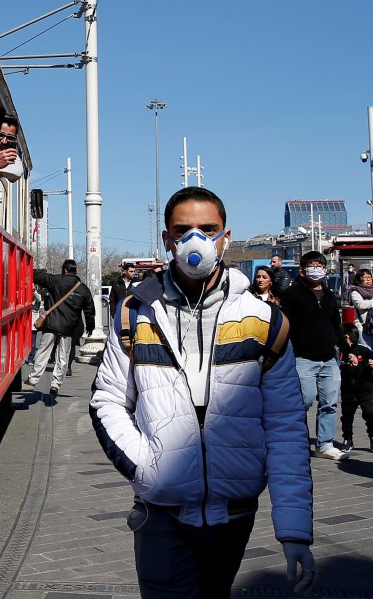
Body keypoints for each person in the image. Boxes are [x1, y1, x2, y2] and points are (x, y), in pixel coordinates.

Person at [91, 186, 315, 598]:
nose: (196, 240)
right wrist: (147, 468)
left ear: (225, 238)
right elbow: (108, 400)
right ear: (167, 240)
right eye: (183, 230)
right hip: (162, 512)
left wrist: (294, 530)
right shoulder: (136, 312)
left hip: (235, 513)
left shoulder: (264, 320)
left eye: (208, 229)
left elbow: (285, 425)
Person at [280, 250, 352, 461]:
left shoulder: (330, 295)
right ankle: (295, 442)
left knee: (330, 403)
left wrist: (347, 351)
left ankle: (324, 444)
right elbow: (285, 326)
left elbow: (336, 326)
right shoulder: (292, 294)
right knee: (304, 400)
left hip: (329, 358)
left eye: (320, 266)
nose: (316, 270)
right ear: (302, 270)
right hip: (303, 358)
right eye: (312, 266)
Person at [27, 260, 95, 396]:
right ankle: (55, 384)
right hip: (68, 328)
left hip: (51, 324)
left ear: (64, 270)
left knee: (43, 352)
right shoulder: (83, 289)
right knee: (62, 357)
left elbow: (37, 276)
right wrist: (90, 326)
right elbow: (89, 310)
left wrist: (27, 266)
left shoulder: (56, 280)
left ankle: (33, 380)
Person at [340, 323, 373, 452]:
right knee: (347, 416)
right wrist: (346, 363)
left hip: (364, 390)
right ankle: (348, 439)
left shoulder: (363, 349)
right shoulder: (340, 352)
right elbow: (337, 365)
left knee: (369, 413)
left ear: (346, 337)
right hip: (348, 391)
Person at [349, 268, 373, 355]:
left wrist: (371, 304)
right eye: (364, 277)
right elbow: (360, 305)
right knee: (365, 350)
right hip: (362, 326)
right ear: (359, 280)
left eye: (369, 277)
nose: (368, 279)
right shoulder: (355, 291)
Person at [0, 115, 24, 182]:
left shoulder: (10, 155)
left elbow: (17, 173)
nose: (4, 141)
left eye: (10, 138)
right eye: (0, 135)